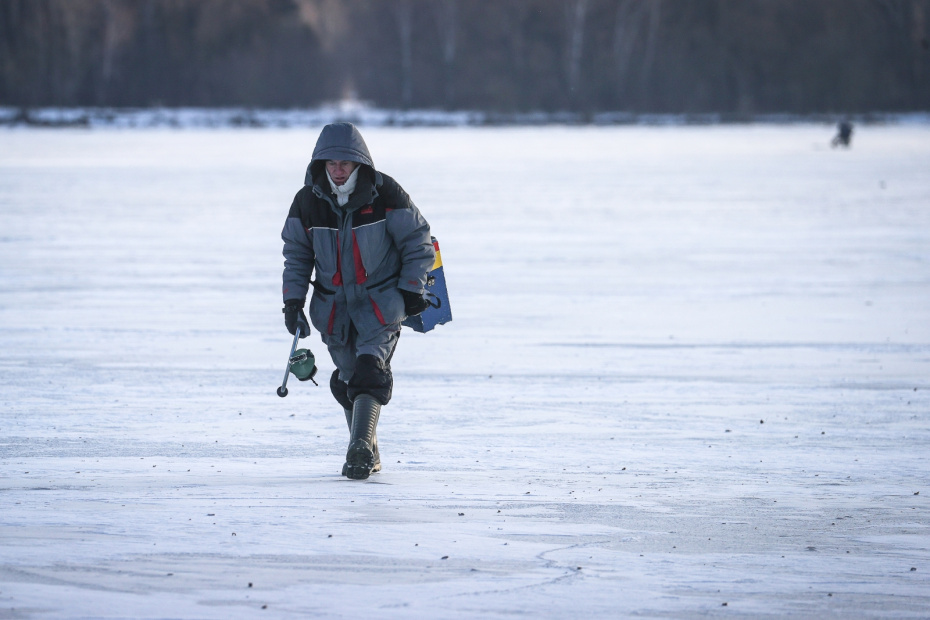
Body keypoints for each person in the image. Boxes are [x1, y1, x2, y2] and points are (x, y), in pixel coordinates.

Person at [281, 122, 434, 480]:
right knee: (348, 379)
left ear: (359, 163)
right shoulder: (307, 202)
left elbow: (418, 239)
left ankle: (359, 448)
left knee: (370, 372)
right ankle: (369, 450)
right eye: (331, 163)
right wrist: (293, 303)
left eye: (344, 164)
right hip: (333, 310)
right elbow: (297, 256)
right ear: (320, 163)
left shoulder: (385, 193)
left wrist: (412, 289)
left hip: (381, 302)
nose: (337, 170)